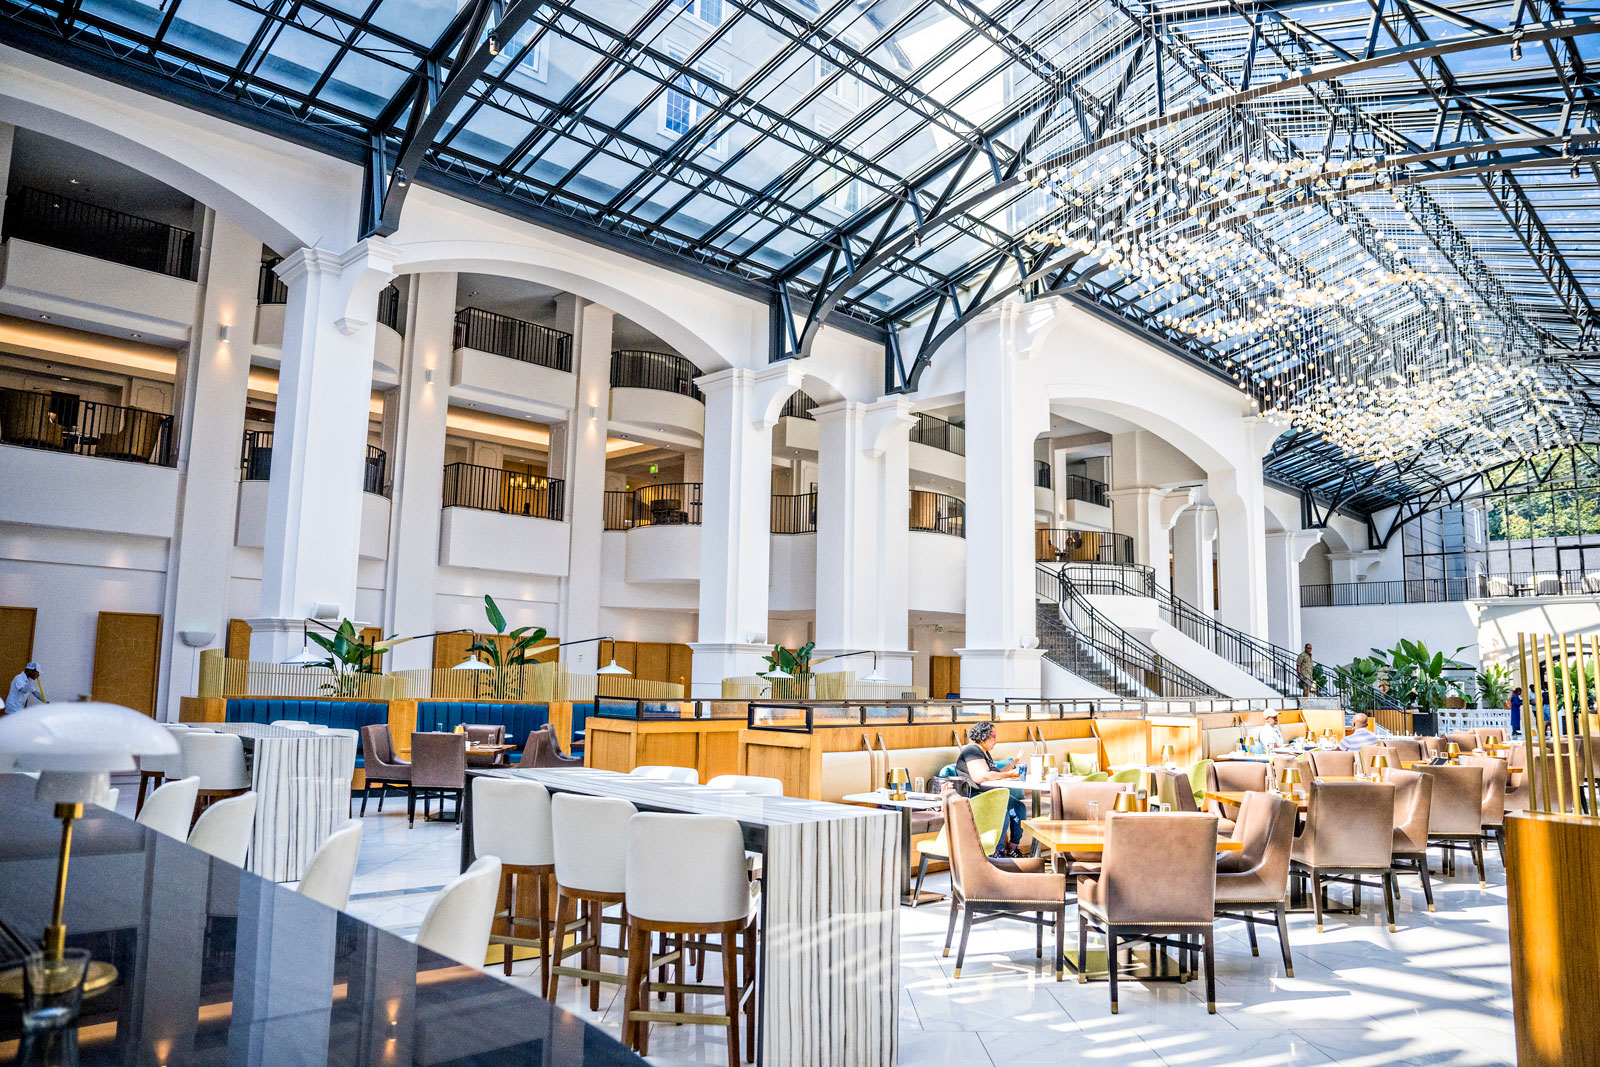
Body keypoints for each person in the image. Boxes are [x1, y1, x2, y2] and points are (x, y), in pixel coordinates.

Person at [956, 721, 1027, 857]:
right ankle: (997, 852)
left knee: (1019, 808)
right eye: (993, 736)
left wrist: (1014, 763)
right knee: (1002, 812)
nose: (996, 740)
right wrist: (1011, 774)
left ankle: (1012, 848)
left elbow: (996, 772)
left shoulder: (985, 752)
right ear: (984, 736)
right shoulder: (972, 750)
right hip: (976, 796)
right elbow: (981, 777)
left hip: (992, 795)